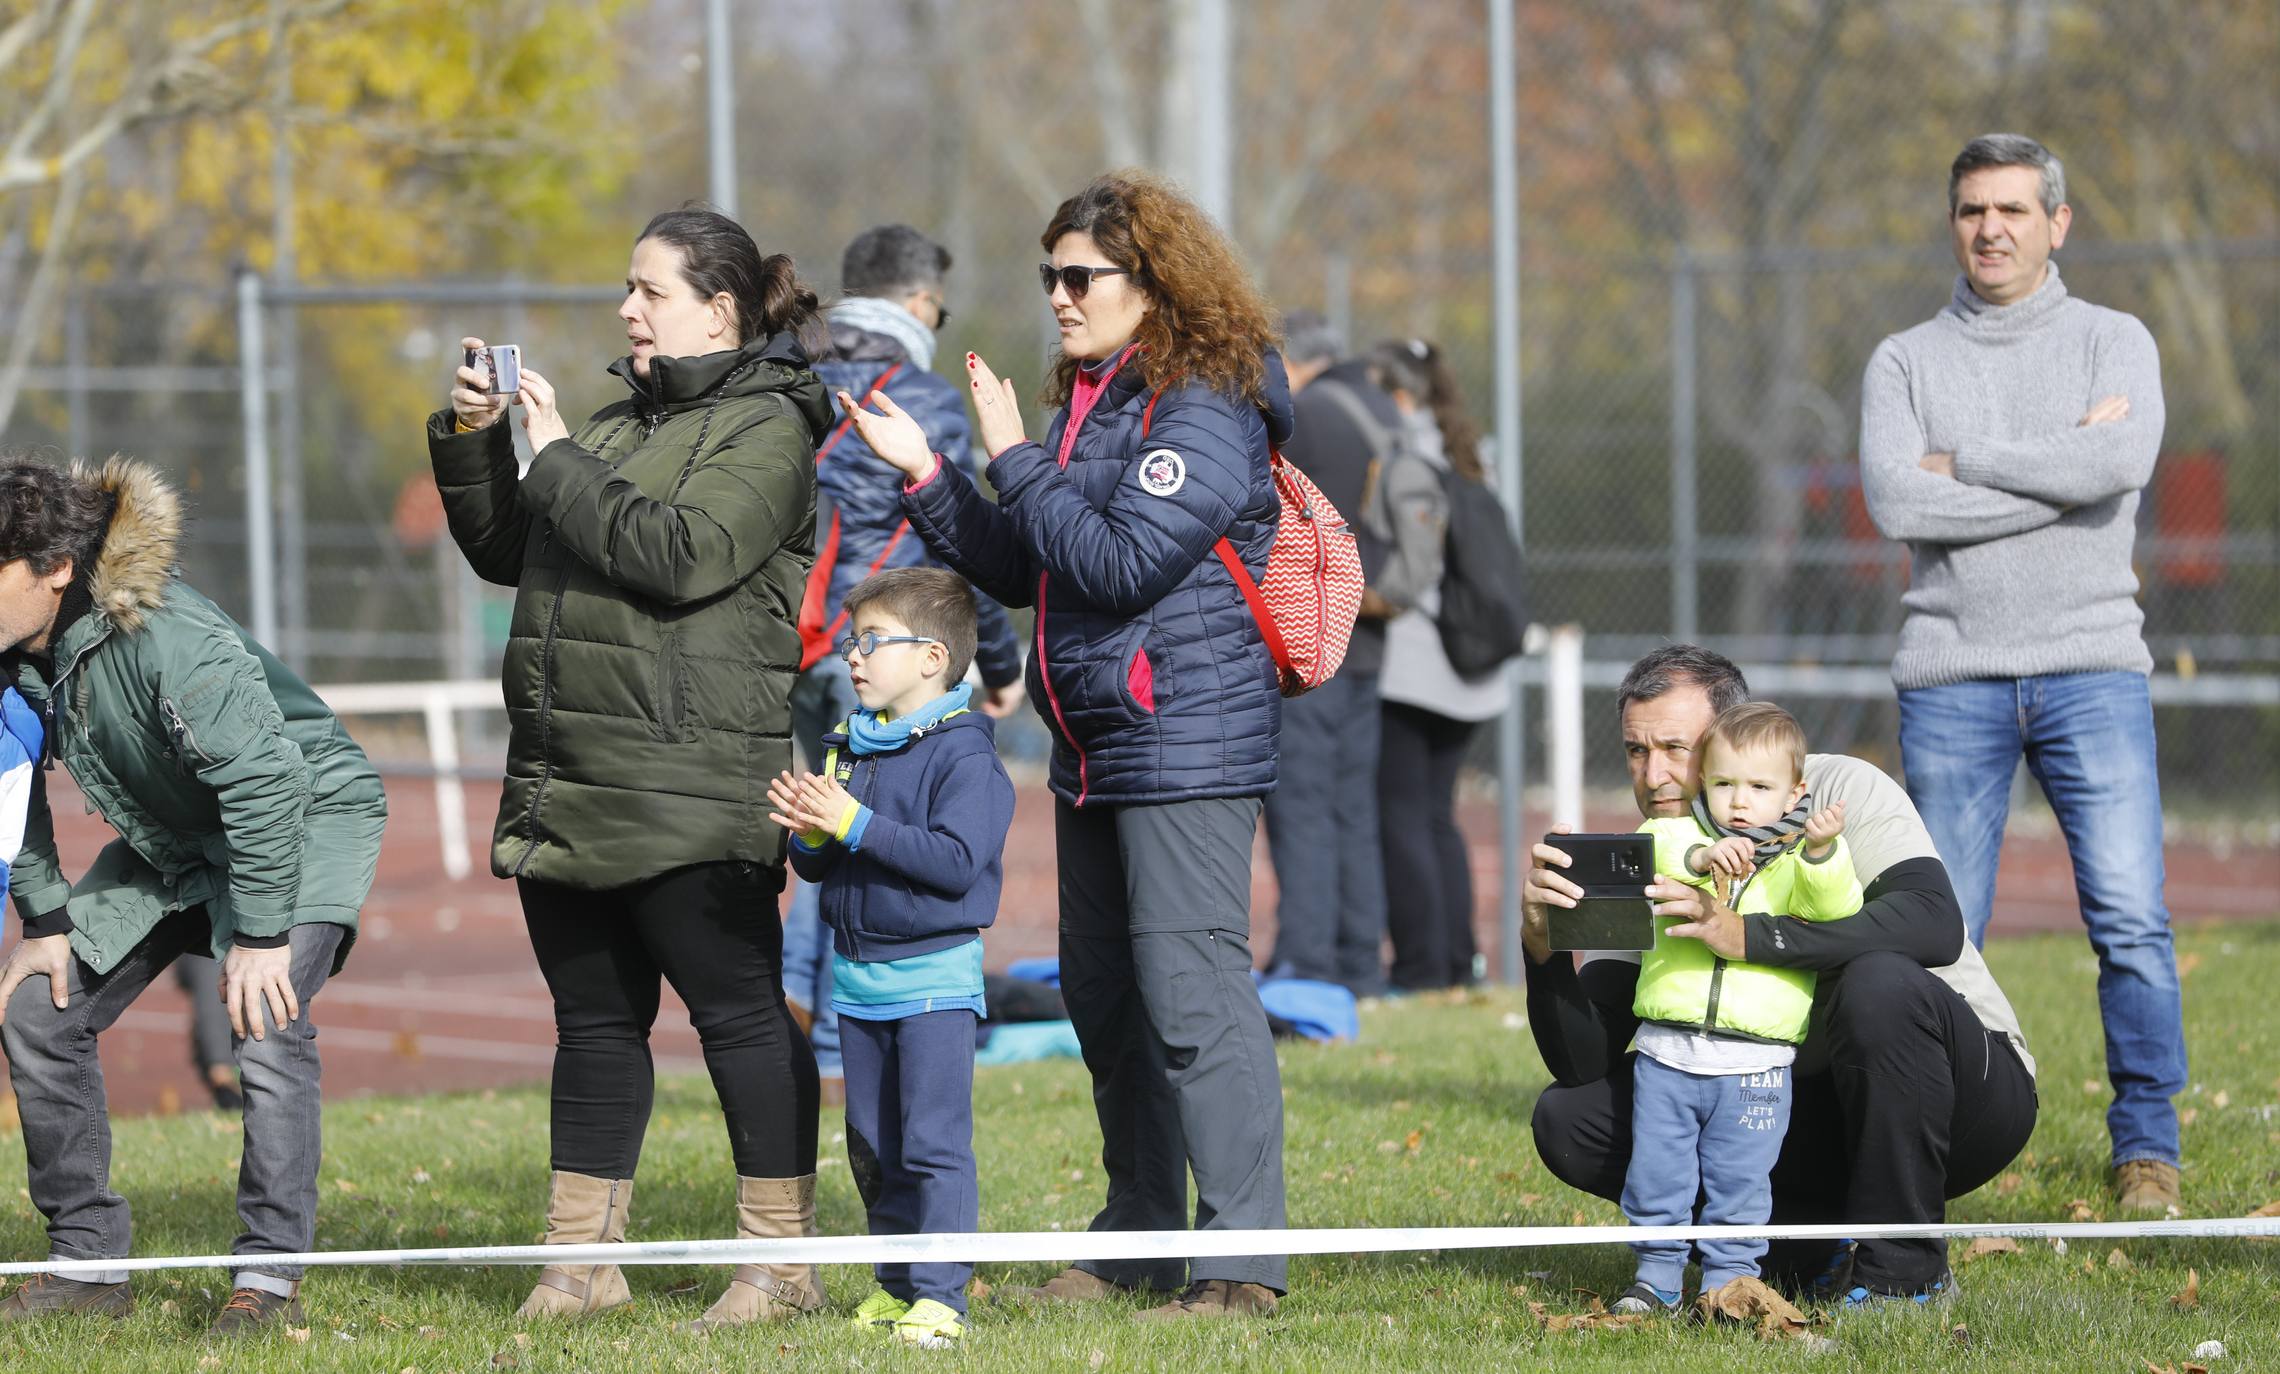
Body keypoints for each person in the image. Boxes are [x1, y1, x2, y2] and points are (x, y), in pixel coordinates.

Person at [836, 170, 1291, 1320]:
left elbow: (1123, 563)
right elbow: (1034, 566)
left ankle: (1243, 1265)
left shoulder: (1206, 404)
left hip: (1185, 739)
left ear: (1157, 283)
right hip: (1095, 744)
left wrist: (1009, 452)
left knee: (1191, 997)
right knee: (1106, 996)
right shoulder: (1094, 400)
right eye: (1049, 276)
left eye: (1082, 275)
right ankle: (1139, 1237)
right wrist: (930, 477)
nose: (1059, 296)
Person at [427, 206, 829, 1328]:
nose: (625, 311)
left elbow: (682, 553)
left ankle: (780, 1268)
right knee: (594, 1024)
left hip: (691, 782)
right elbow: (515, 549)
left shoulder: (770, 432)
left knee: (740, 1016)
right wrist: (478, 442)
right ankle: (581, 1265)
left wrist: (552, 456)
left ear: (721, 310)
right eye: (628, 289)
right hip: (571, 776)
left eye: (649, 292)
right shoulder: (610, 426)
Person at [1858, 132, 2184, 1213]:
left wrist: (1972, 460)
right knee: (1942, 929)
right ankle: (1942, 1143)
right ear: (1952, 222)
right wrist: (2059, 470)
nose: (1989, 229)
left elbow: (2121, 464)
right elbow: (1901, 503)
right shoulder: (1905, 361)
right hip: (1951, 673)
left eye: (2010, 209)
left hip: (2094, 663)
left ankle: (2149, 1149)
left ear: (2058, 221)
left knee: (2131, 917)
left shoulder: (2114, 341)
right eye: (1970, 210)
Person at [0, 457, 388, 1335]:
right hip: (179, 842)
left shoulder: (164, 631)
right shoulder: (9, 651)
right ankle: (88, 1264)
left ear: (54, 568)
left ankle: (267, 1282)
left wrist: (256, 937)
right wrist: (48, 920)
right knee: (37, 1011)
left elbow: (263, 783)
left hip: (301, 815)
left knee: (265, 1014)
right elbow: (6, 785)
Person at [1524, 645, 2038, 1307]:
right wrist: (1542, 949)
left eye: (1677, 748)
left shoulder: (1835, 790)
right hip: (1779, 1107)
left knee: (1877, 984)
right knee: (1569, 1120)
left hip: (1962, 1099)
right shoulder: (1653, 853)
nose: (1655, 776)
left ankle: (1906, 1271)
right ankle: (1801, 1251)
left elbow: (1932, 925)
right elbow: (1583, 1062)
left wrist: (1747, 937)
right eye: (1636, 751)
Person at [783, 224, 1027, 1105]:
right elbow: (954, 543)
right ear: (920, 302)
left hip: (792, 640)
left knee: (822, 818)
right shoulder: (924, 395)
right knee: (872, 830)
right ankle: (849, 1048)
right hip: (892, 648)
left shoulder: (784, 375)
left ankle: (799, 1029)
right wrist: (995, 662)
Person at [769, 567, 1017, 1351]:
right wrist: (811, 835)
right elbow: (822, 868)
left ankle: (942, 1297)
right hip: (859, 984)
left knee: (932, 1142)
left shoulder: (965, 758)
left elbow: (953, 863)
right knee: (871, 1143)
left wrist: (853, 824)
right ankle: (894, 1282)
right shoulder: (850, 744)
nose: (854, 657)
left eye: (872, 642)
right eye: (852, 642)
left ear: (934, 658)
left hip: (934, 987)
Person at [1611, 702, 1858, 1314]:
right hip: (1668, 1053)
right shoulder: (1681, 836)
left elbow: (1837, 915)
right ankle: (1657, 1278)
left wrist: (1824, 856)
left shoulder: (1802, 858)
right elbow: (1654, 847)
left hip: (1756, 1065)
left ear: (1794, 792)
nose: (1738, 802)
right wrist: (1699, 860)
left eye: (1758, 787)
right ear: (1703, 784)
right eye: (1723, 784)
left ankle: (1730, 1282)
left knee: (1741, 1183)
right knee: (1658, 1175)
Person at [1258, 309, 1392, 997]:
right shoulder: (1383, 409)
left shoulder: (1307, 415)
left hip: (1313, 638)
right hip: (1372, 638)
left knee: (1301, 806)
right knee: (1352, 808)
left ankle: (1307, 963)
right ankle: (1360, 963)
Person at [1369, 339, 1505, 992]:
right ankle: (1457, 960)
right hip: (1474, 670)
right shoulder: (1476, 455)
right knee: (1435, 814)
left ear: (1399, 396)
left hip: (1420, 669)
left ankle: (1423, 965)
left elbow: (1415, 571)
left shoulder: (1411, 459)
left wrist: (1362, 600)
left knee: (1402, 816)